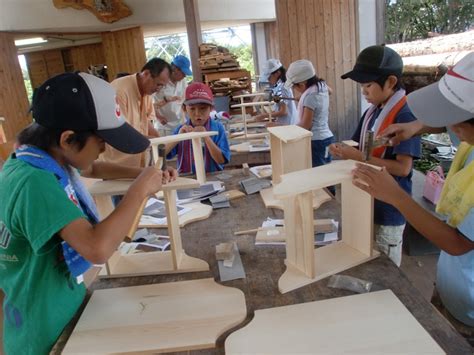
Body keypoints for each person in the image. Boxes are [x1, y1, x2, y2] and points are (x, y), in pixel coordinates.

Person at [0, 72, 177, 354]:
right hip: (47, 335)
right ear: (68, 139)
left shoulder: (39, 158)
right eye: (101, 141)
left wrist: (143, 173)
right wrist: (138, 191)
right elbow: (96, 249)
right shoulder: (36, 182)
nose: (105, 149)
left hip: (61, 310)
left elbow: (92, 168)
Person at [353, 52, 474, 345]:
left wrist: (396, 196)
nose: (450, 129)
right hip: (452, 288)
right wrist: (415, 127)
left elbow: (458, 243)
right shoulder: (469, 139)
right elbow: (453, 126)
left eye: (454, 120)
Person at [329, 45, 421, 267]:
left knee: (385, 270)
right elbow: (356, 143)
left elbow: (403, 168)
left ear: (390, 82)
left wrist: (359, 156)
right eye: (362, 86)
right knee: (366, 262)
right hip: (366, 202)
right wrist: (342, 148)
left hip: (388, 210)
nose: (364, 91)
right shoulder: (373, 111)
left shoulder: (405, 113)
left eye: (368, 85)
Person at [101, 58, 171, 168]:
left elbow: (147, 124)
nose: (159, 89)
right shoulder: (119, 91)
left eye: (162, 86)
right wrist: (150, 140)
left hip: (138, 161)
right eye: (158, 84)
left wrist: (160, 143)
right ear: (146, 74)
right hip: (116, 164)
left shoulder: (146, 92)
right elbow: (120, 132)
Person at [167, 82, 231, 174]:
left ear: (211, 109)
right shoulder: (181, 129)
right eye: (192, 109)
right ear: (185, 109)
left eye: (203, 108)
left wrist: (206, 137)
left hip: (212, 176)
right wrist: (178, 137)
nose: (197, 113)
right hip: (187, 179)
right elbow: (163, 154)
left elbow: (221, 160)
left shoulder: (217, 128)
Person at [285, 59, 335, 167]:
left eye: (294, 86)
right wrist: (304, 97)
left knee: (318, 176)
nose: (294, 89)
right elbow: (330, 91)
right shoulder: (322, 86)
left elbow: (306, 125)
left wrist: (286, 129)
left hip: (316, 142)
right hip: (327, 138)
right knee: (327, 173)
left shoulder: (310, 97)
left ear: (302, 84)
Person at [154, 55, 192, 136]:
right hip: (163, 127)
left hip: (180, 125)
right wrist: (158, 117)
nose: (185, 76)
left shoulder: (183, 82)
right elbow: (149, 105)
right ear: (174, 69)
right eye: (183, 73)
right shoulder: (159, 81)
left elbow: (184, 101)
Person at [254, 59, 297, 126]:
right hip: (285, 122)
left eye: (269, 77)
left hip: (288, 124)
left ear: (277, 73)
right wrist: (270, 115)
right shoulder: (277, 88)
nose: (268, 80)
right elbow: (279, 107)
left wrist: (264, 116)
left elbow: (284, 112)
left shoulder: (282, 88)